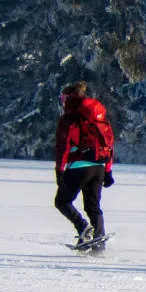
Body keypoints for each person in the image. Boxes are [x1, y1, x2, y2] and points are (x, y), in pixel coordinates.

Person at [54, 81, 114, 248]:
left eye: (62, 98)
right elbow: (108, 144)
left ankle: (83, 227)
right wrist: (108, 171)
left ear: (67, 98)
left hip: (79, 167)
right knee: (92, 206)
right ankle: (98, 237)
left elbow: (63, 146)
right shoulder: (98, 119)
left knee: (62, 201)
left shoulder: (69, 119)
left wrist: (59, 171)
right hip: (99, 167)